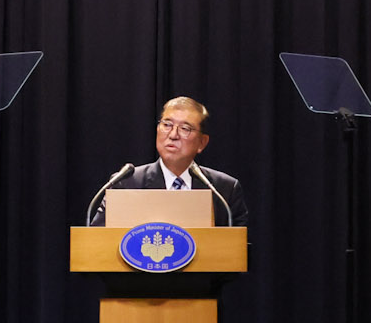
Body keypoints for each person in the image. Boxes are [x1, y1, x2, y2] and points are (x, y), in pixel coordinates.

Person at [87, 96, 249, 226]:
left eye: (185, 128)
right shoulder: (126, 183)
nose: (173, 135)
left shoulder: (224, 190)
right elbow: (98, 243)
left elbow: (240, 254)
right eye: (167, 125)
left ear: (202, 143)